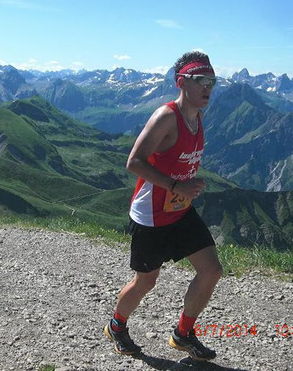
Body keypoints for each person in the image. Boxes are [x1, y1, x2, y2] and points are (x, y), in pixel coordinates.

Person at [104, 51, 222, 361]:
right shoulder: (166, 117)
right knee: (146, 281)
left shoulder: (197, 116)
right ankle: (117, 326)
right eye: (201, 81)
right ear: (181, 82)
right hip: (152, 215)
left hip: (180, 210)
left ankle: (183, 334)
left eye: (212, 81)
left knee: (211, 270)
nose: (207, 88)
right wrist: (175, 185)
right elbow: (134, 162)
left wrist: (186, 185)